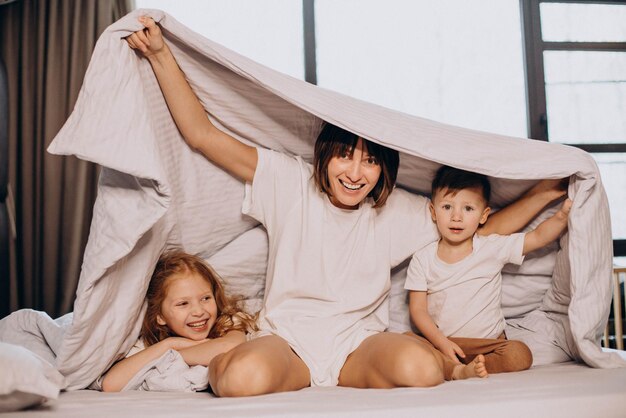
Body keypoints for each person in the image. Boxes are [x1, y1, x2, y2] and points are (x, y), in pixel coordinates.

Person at [125, 16, 568, 396]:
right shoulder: (288, 181)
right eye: (345, 155)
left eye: (371, 160)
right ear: (324, 155)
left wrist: (544, 193)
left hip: (359, 344)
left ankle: (448, 360)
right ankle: (223, 366)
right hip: (289, 340)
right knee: (241, 379)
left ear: (384, 170)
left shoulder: (397, 210)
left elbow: (477, 230)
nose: (356, 172)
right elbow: (204, 136)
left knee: (422, 369)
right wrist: (162, 55)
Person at [405, 166, 572, 379]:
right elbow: (418, 310)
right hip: (444, 342)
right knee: (408, 345)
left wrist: (561, 217)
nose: (456, 217)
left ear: (484, 215)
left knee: (520, 354)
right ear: (433, 212)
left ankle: (469, 368)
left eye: (468, 209)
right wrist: (441, 342)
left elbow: (537, 237)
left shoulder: (491, 247)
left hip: (489, 344)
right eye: (447, 207)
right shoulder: (423, 258)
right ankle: (454, 368)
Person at [101, 251, 257, 392]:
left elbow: (230, 347)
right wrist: (169, 344)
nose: (198, 311)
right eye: (183, 303)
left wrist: (174, 352)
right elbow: (111, 384)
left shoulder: (229, 322)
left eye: (205, 298)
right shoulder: (152, 343)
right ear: (160, 316)